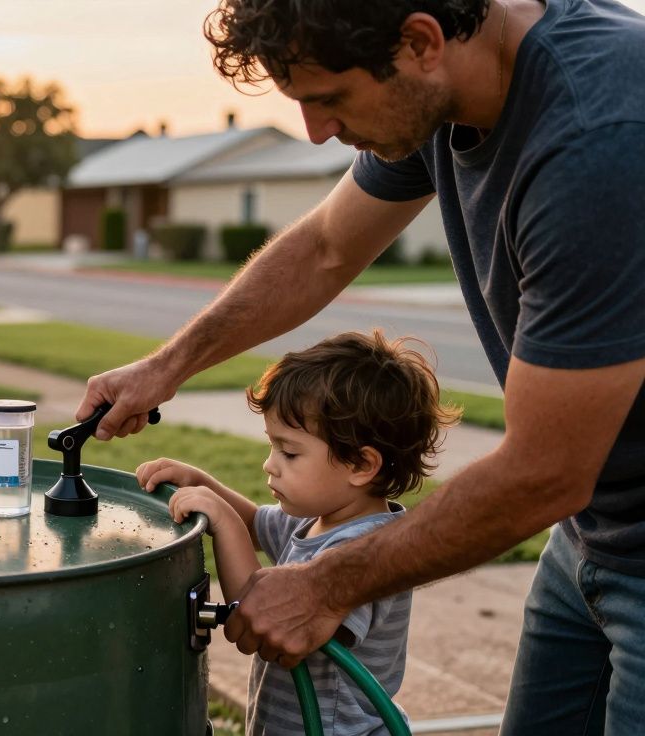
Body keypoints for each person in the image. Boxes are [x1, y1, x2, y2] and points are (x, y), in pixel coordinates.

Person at [77, 0, 645, 733]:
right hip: (591, 533)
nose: (315, 133)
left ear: (421, 41)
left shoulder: (598, 139)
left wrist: (324, 585)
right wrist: (168, 366)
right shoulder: (441, 92)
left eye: (329, 99)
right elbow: (325, 248)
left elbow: (545, 471)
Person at [137, 331, 456, 735]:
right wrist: (198, 480)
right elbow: (254, 524)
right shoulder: (321, 520)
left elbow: (258, 610)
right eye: (272, 446)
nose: (270, 465)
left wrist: (223, 521)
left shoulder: (362, 548)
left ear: (361, 465)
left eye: (289, 452)